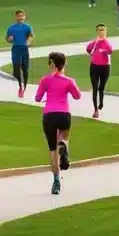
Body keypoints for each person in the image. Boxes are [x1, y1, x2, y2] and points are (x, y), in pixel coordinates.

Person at [33, 52, 82, 195]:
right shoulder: (69, 81)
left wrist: (47, 98)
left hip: (49, 115)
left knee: (52, 149)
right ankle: (64, 147)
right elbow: (77, 96)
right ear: (64, 64)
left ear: (52, 64)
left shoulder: (45, 80)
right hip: (64, 114)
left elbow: (37, 98)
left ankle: (56, 182)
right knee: (64, 138)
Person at [85, 24, 113, 119]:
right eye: (99, 30)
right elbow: (88, 49)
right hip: (94, 67)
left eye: (103, 30)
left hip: (105, 67)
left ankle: (101, 101)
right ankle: (95, 110)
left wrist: (103, 41)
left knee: (101, 88)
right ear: (97, 32)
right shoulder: (94, 43)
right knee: (95, 88)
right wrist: (96, 44)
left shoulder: (107, 43)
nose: (101, 32)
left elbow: (110, 51)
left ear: (105, 32)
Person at [5, 9, 35, 98]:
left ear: (24, 17)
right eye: (19, 16)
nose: (20, 17)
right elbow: (7, 38)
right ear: (16, 17)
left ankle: (24, 88)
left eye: (22, 16)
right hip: (15, 49)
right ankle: (20, 87)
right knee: (16, 69)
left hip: (24, 49)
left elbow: (31, 36)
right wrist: (9, 39)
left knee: (25, 69)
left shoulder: (27, 27)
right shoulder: (11, 28)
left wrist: (28, 41)